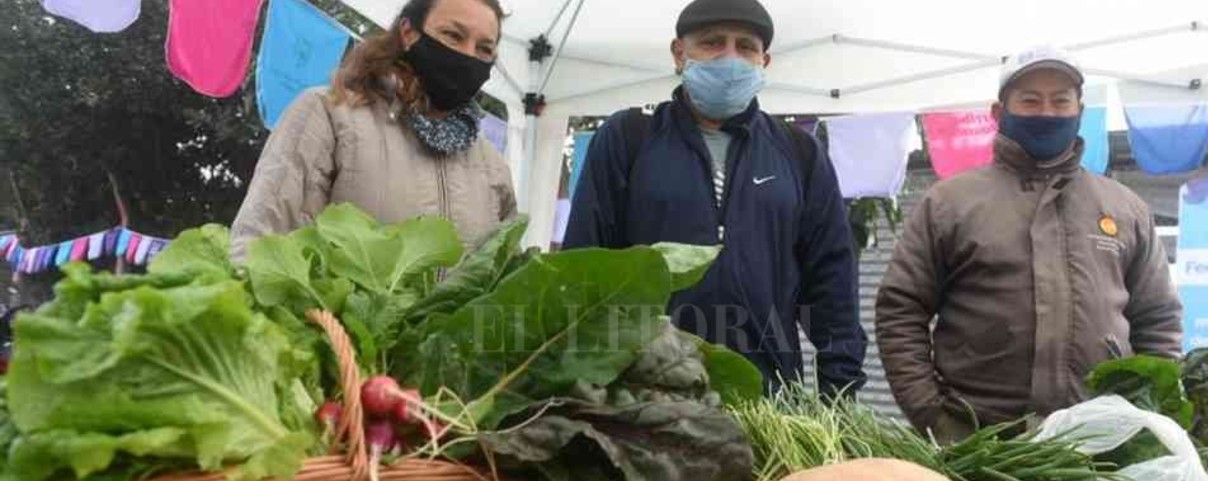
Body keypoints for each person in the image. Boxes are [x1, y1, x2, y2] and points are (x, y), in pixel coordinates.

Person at [875, 46, 1183, 443]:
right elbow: (900, 310)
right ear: (999, 113)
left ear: (1079, 110)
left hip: (1099, 443)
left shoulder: (1124, 207)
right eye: (1030, 100)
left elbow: (1158, 321)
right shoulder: (950, 203)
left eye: (1060, 100)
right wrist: (933, 414)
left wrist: (1142, 417)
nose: (1047, 113)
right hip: (979, 444)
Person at [563, 0, 867, 397]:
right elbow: (582, 265)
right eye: (711, 43)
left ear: (764, 61)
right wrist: (579, 387)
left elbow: (833, 282)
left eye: (746, 47)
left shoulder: (798, 152)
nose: (730, 58)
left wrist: (838, 396)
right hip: (644, 396)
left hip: (768, 396)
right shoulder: (629, 136)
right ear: (678, 53)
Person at [230, 0, 516, 260]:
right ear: (408, 32)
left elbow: (504, 285)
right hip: (329, 318)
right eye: (453, 36)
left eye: (484, 49)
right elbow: (259, 246)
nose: (467, 56)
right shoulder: (327, 114)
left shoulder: (493, 167)